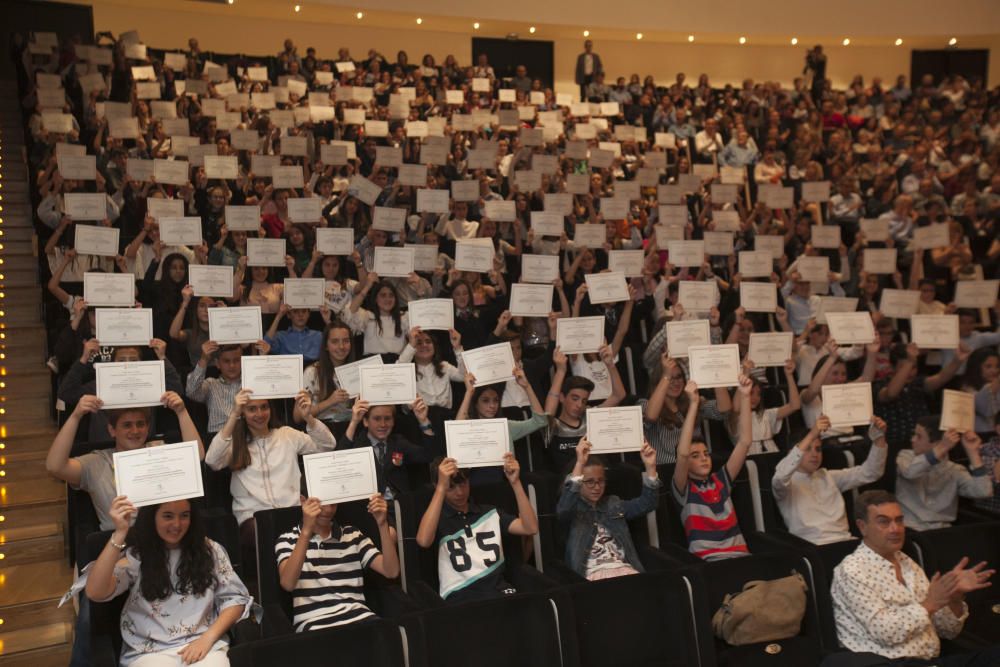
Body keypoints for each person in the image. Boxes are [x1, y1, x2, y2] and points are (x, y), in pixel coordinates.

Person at [828, 490, 998, 665]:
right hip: (888, 662)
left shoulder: (908, 563)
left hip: (932, 660)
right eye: (884, 522)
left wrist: (954, 598)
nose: (895, 529)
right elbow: (885, 633)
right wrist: (931, 603)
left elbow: (948, 631)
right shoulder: (853, 571)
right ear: (863, 526)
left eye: (899, 520)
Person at [82, 496, 252, 667]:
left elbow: (235, 599)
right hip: (149, 652)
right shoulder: (137, 555)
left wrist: (208, 638)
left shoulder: (210, 550)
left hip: (204, 645)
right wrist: (119, 534)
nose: (177, 525)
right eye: (168, 516)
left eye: (184, 515)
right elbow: (95, 592)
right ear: (152, 517)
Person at [205, 389, 335, 568]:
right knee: (266, 530)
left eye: (264, 407)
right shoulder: (236, 442)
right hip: (253, 519)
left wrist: (309, 418)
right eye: (252, 409)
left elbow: (327, 445)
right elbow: (212, 461)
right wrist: (234, 413)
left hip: (291, 512)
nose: (259, 414)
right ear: (243, 412)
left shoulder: (286, 434)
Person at [45, 391, 205, 531]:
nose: (135, 431)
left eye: (140, 424)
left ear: (148, 428)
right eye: (127, 425)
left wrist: (182, 412)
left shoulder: (159, 449)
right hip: (119, 545)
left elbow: (197, 457)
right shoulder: (97, 462)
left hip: (165, 537)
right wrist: (76, 415)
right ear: (112, 430)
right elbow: (54, 466)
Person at [415, 454, 538, 601]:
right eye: (451, 487)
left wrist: (516, 483)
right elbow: (423, 541)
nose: (460, 492)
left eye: (463, 484)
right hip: (462, 597)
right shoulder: (436, 519)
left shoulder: (490, 512)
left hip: (500, 592)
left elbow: (530, 528)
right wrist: (441, 487)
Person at [275, 491, 398, 632]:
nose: (328, 509)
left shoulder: (352, 535)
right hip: (314, 623)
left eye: (333, 502)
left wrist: (382, 525)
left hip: (359, 617)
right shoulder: (287, 540)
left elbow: (391, 571)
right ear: (304, 501)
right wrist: (306, 531)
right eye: (321, 502)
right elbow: (287, 584)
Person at [772, 415, 889, 544]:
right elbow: (781, 475)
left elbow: (871, 472)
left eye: (818, 449)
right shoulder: (785, 484)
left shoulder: (828, 476)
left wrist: (879, 439)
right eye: (808, 448)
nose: (815, 454)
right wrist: (813, 433)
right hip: (813, 548)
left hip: (846, 541)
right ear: (791, 453)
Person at [672, 375, 753, 561]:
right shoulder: (683, 489)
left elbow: (745, 442)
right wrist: (693, 404)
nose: (703, 458)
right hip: (709, 562)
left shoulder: (721, 480)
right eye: (696, 456)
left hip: (742, 556)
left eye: (706, 454)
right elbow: (682, 453)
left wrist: (746, 396)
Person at [557, 436, 660, 580]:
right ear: (580, 481)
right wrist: (580, 462)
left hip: (624, 569)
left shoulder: (613, 503)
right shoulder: (572, 508)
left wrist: (650, 467)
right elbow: (564, 509)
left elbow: (648, 503)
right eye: (590, 482)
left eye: (601, 481)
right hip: (591, 575)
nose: (597, 487)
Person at [895, 417, 992, 530]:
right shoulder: (906, 456)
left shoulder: (954, 470)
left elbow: (983, 491)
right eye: (914, 434)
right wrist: (942, 447)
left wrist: (973, 453)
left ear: (936, 443)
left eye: (919, 436)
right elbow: (910, 472)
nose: (912, 439)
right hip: (908, 526)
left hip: (941, 530)